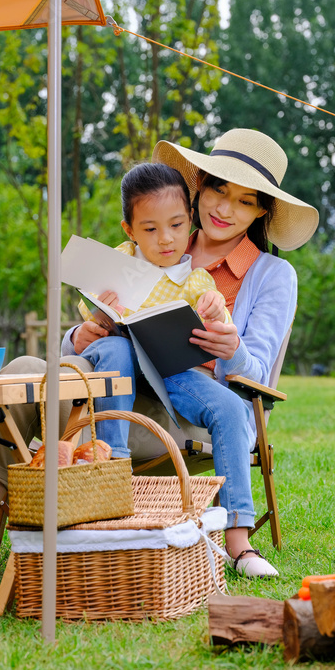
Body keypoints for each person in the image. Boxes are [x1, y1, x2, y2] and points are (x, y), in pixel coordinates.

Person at [0, 128, 318, 580]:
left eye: (245, 201)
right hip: (114, 383)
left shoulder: (271, 275)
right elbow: (104, 321)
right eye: (219, 189)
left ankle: (222, 537)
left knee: (59, 379)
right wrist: (80, 335)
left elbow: (257, 372)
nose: (224, 209)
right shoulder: (161, 230)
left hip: (184, 410)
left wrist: (233, 349)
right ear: (199, 186)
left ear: (263, 209)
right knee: (24, 373)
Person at [78, 162, 230, 458]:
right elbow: (88, 317)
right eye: (150, 229)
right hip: (116, 358)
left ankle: (238, 507)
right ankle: (114, 459)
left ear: (190, 219)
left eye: (176, 225)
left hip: (169, 373)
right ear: (130, 230)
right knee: (116, 349)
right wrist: (102, 315)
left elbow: (221, 322)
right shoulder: (119, 259)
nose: (165, 239)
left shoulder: (196, 280)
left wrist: (216, 310)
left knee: (228, 407)